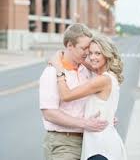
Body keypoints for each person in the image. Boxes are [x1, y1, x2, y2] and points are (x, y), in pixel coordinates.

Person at [39, 23, 108, 160]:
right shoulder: (51, 72)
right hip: (63, 144)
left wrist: (105, 116)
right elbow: (49, 113)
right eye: (83, 48)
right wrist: (84, 123)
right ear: (70, 45)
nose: (88, 52)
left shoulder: (87, 70)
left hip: (90, 141)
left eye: (89, 48)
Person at [57, 34, 127, 160]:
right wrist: (69, 52)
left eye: (98, 53)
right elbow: (84, 61)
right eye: (90, 53)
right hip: (103, 145)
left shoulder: (102, 80)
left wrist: (59, 69)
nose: (92, 57)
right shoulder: (108, 76)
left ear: (106, 54)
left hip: (100, 149)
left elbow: (66, 95)